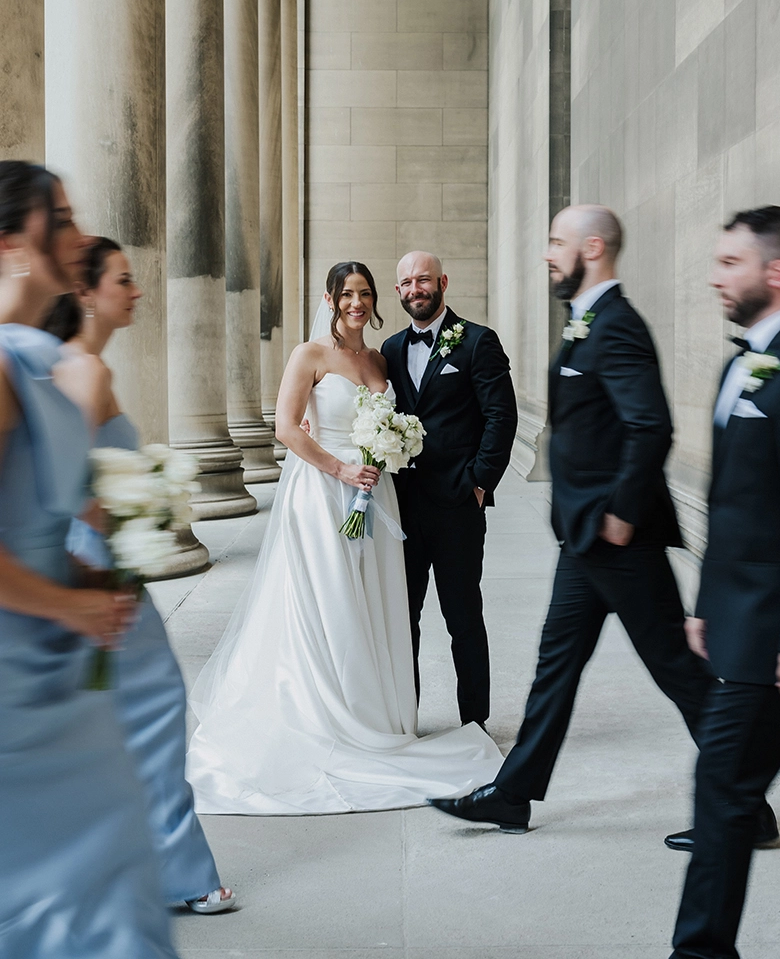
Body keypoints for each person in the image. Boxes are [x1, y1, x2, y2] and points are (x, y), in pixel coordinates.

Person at [184, 261, 503, 814]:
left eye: (365, 293)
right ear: (330, 299)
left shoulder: (384, 359)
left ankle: (391, 716)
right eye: (347, 294)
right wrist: (337, 467)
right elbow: (286, 427)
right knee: (330, 602)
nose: (357, 302)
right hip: (325, 493)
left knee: (377, 607)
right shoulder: (308, 356)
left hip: (381, 497)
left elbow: (473, 416)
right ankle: (329, 715)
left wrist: (474, 483)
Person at [432, 206, 712, 833]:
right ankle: (514, 792)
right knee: (555, 667)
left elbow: (652, 426)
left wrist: (621, 513)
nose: (547, 253)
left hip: (618, 540)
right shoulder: (588, 321)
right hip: (585, 540)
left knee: (678, 670)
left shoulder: (617, 326)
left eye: (556, 242)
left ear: (593, 247)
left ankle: (743, 803)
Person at [0, 163, 175, 957]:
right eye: (61, 221)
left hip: (64, 680)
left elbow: (59, 505)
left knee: (117, 879)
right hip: (14, 682)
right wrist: (71, 604)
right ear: (13, 245)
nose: (78, 235)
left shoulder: (53, 362)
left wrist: (101, 571)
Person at [49, 237, 235, 913]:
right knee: (156, 709)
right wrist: (128, 515)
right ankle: (182, 873)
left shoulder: (86, 365)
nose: (137, 291)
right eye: (123, 280)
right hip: (97, 569)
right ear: (86, 293)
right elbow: (63, 484)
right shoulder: (85, 373)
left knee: (117, 719)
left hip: (100, 563)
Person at [669, 207, 780, 959]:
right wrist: (703, 606)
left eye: (730, 263)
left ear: (776, 272)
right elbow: (731, 507)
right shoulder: (737, 362)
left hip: (769, 645)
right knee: (727, 794)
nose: (715, 276)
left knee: (720, 790)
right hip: (735, 624)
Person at [379, 250, 516, 729]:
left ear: (442, 282)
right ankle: (405, 719)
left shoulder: (478, 341)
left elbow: (502, 416)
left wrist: (479, 482)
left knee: (463, 619)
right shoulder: (390, 350)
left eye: (424, 280)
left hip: (458, 505)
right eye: (406, 283)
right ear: (397, 292)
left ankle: (474, 723)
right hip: (401, 508)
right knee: (404, 620)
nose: (416, 289)